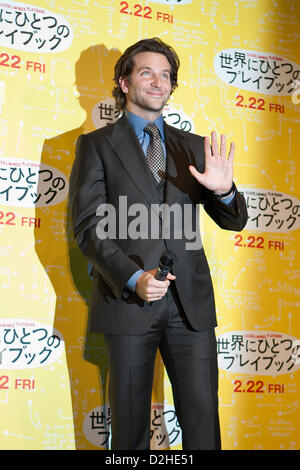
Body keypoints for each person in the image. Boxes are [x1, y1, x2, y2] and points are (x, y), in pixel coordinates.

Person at [69, 38, 248, 450]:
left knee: (204, 427)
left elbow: (234, 220)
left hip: (192, 307)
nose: (158, 81)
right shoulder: (95, 146)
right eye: (146, 71)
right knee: (129, 433)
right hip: (127, 301)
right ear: (124, 82)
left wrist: (224, 192)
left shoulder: (193, 146)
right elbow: (89, 228)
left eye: (166, 75)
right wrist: (132, 277)